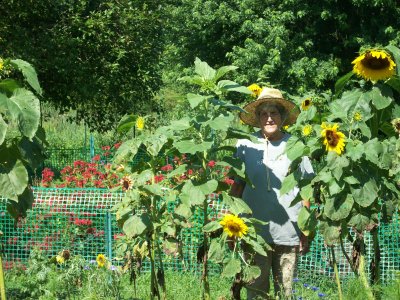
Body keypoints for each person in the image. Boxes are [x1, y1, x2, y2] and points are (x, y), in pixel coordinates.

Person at [231, 87, 314, 299]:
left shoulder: (296, 145)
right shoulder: (245, 144)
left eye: (274, 113)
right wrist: (232, 225)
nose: (269, 118)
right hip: (254, 231)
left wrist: (305, 230)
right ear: (257, 118)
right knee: (256, 288)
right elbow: (237, 187)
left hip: (288, 231)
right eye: (264, 114)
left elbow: (306, 191)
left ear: (283, 117)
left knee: (285, 290)